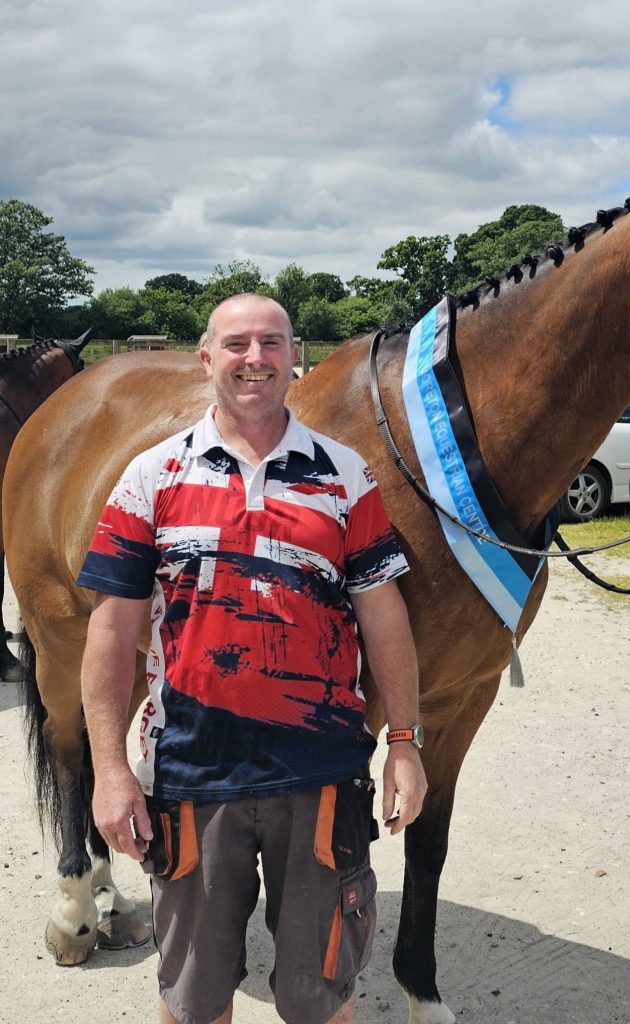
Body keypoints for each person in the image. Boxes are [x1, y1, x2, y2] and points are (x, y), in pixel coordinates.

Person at [78, 293, 427, 1024]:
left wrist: (403, 742)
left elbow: (384, 615)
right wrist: (111, 770)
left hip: (321, 778)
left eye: (272, 343)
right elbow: (111, 634)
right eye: (236, 344)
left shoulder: (345, 475)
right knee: (195, 1001)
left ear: (294, 359)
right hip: (191, 777)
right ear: (206, 358)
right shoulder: (151, 477)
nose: (256, 358)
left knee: (320, 997)